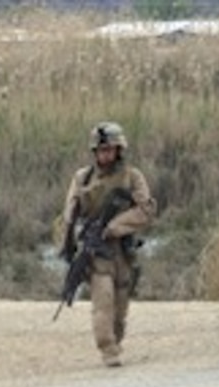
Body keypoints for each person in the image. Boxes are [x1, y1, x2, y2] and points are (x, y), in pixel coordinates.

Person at [59, 122, 156, 367]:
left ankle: (115, 340)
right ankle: (108, 350)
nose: (106, 155)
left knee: (120, 307)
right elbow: (69, 213)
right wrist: (71, 239)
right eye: (101, 151)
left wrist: (116, 227)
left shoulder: (132, 177)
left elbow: (146, 210)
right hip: (96, 252)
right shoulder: (82, 178)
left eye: (110, 150)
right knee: (103, 301)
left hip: (122, 249)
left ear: (119, 150)